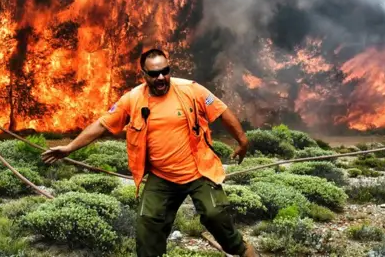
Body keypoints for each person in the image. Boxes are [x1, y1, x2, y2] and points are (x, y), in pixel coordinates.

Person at [42, 48, 259, 257]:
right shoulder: (133, 99)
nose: (161, 77)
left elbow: (221, 111)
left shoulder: (191, 89)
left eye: (165, 71)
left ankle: (243, 250)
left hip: (198, 171)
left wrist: (243, 141)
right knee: (146, 227)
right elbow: (102, 125)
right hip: (162, 177)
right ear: (144, 74)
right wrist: (70, 148)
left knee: (215, 216)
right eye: (154, 74)